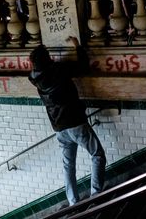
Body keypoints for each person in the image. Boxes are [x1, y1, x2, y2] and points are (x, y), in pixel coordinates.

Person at [28, 37, 106, 206]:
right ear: (46, 59)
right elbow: (83, 66)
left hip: (59, 128)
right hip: (75, 122)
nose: (52, 57)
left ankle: (73, 203)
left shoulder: (36, 79)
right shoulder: (58, 70)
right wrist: (77, 46)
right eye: (48, 55)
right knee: (97, 155)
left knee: (68, 166)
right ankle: (96, 195)